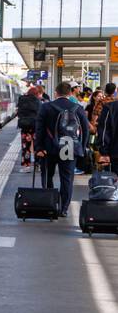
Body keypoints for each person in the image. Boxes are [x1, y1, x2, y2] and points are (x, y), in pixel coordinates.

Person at [35, 81, 90, 215]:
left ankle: (50, 205)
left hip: (49, 148)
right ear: (70, 93)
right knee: (67, 179)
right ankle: (63, 209)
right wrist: (81, 148)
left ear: (56, 93)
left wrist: (39, 148)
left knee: (48, 175)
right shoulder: (78, 108)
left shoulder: (46, 107)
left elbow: (39, 129)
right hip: (70, 147)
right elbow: (86, 130)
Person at [16, 83, 43, 168]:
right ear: (36, 94)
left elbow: (18, 113)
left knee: (25, 147)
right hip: (35, 126)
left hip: (25, 126)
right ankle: (37, 164)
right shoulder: (38, 102)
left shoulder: (22, 100)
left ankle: (26, 164)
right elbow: (40, 114)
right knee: (36, 146)